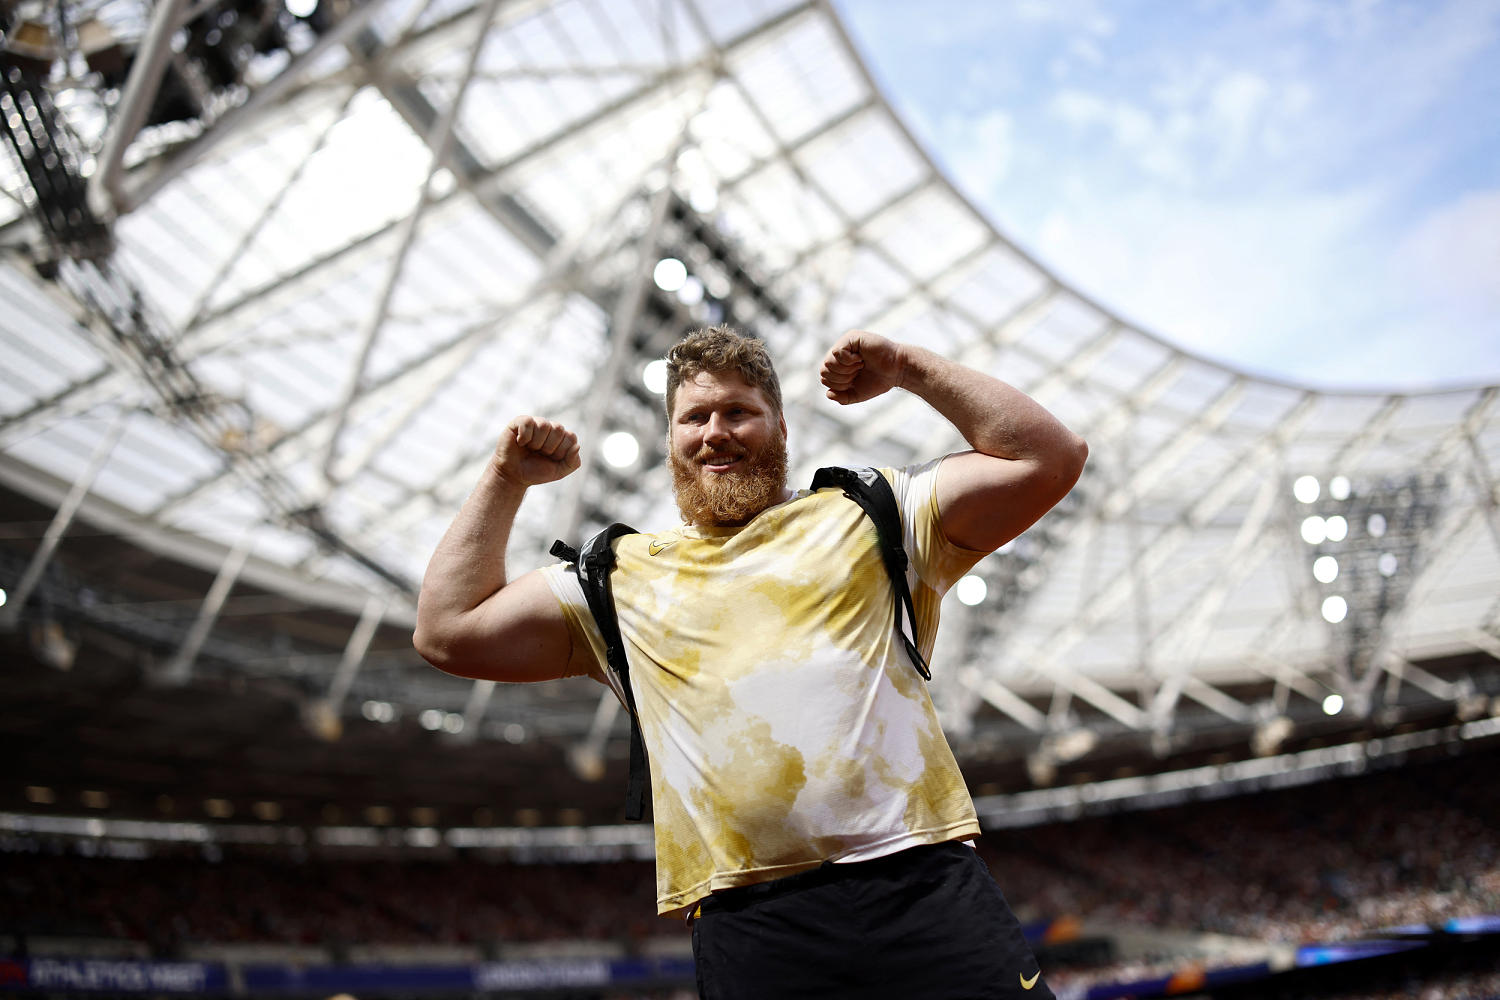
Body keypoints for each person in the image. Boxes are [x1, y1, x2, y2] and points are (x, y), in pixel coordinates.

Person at [414, 325, 1087, 999]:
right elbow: (447, 630)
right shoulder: (614, 579)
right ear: (670, 439)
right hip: (754, 925)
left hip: (922, 886)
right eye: (694, 417)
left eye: (739, 411)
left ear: (781, 426)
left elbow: (1049, 457)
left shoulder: (872, 512)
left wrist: (908, 367)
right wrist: (505, 479)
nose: (716, 432)